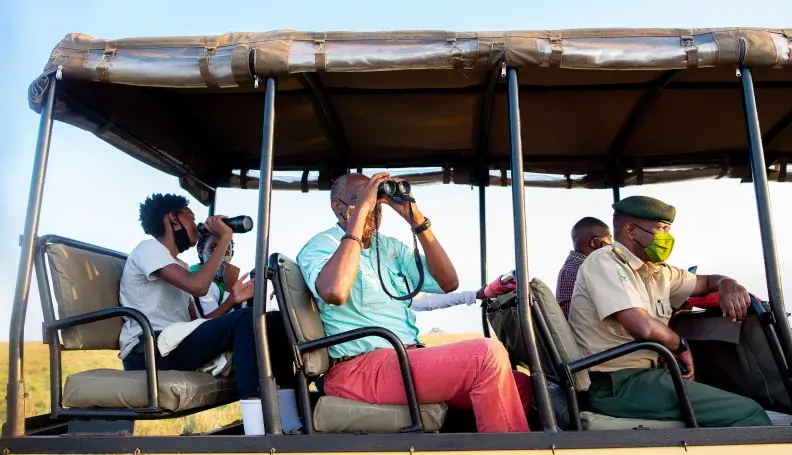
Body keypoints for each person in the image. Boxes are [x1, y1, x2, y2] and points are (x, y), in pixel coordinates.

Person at [296, 172, 533, 433]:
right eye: (360, 199)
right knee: (486, 355)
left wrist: (416, 219)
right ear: (337, 206)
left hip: (403, 358)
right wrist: (360, 214)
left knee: (519, 385)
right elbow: (335, 292)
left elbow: (448, 282)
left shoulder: (388, 247)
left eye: (376, 201)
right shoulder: (321, 246)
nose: (373, 208)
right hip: (358, 368)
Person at [568, 195, 771, 427]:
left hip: (644, 376)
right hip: (614, 382)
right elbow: (642, 326)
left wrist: (727, 283)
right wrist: (680, 346)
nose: (668, 237)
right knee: (748, 414)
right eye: (662, 229)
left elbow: (705, 282)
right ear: (631, 230)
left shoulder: (657, 271)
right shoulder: (604, 262)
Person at [118, 193, 294, 402]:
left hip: (173, 344)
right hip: (147, 349)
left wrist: (231, 301)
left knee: (271, 321)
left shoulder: (179, 268)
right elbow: (199, 286)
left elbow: (199, 325)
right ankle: (255, 426)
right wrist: (225, 237)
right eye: (191, 218)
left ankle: (291, 421)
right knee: (247, 319)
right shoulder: (148, 248)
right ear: (173, 218)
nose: (196, 226)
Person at [555, 217, 611, 319]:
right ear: (594, 242)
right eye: (609, 240)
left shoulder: (575, 266)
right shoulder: (585, 269)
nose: (611, 246)